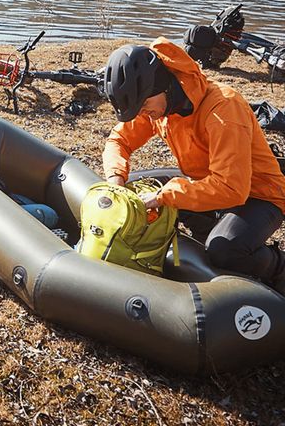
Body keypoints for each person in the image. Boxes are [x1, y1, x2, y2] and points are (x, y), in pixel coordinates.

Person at [102, 38, 285, 293]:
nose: (143, 114)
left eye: (143, 106)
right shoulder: (159, 105)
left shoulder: (223, 108)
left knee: (224, 250)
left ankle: (278, 271)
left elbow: (232, 188)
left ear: (163, 85)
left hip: (259, 195)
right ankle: (210, 232)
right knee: (135, 189)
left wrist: (165, 195)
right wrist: (116, 181)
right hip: (207, 182)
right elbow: (119, 140)